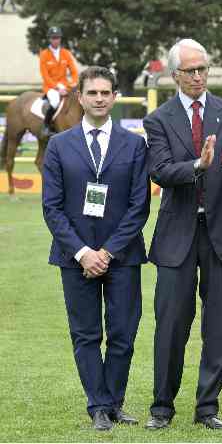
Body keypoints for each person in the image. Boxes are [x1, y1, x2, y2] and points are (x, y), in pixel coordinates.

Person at [143, 38, 222, 430]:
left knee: (217, 325)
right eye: (190, 70)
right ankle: (162, 408)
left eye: (202, 68)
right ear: (174, 75)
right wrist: (198, 164)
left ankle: (208, 408)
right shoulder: (158, 120)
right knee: (171, 323)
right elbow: (160, 171)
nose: (198, 75)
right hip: (177, 236)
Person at [41, 66, 150, 431]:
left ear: (115, 97)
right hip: (76, 259)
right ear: (80, 97)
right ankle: (99, 406)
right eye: (93, 93)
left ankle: (114, 402)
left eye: (106, 93)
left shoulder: (135, 144)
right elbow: (52, 208)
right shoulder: (59, 145)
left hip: (123, 255)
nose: (100, 99)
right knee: (86, 334)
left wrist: (107, 252)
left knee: (123, 332)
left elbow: (139, 206)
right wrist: (84, 252)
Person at [39, 27, 79, 138]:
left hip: (65, 86)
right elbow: (45, 75)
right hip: (50, 87)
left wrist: (73, 84)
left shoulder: (66, 53)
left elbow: (74, 71)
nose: (55, 40)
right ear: (49, 39)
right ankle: (47, 126)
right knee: (55, 101)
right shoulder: (44, 55)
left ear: (60, 39)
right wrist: (57, 88)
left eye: (57, 38)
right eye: (53, 38)